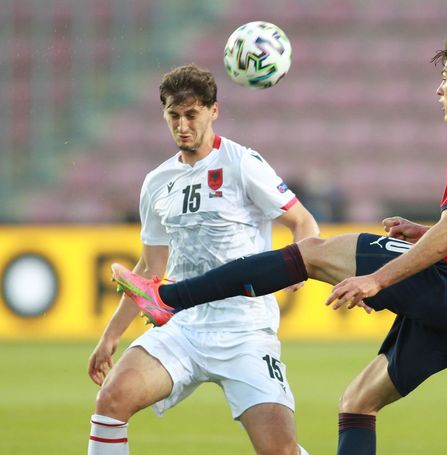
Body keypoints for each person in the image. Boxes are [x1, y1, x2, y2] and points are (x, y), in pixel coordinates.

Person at [111, 35, 447, 455]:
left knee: (314, 253)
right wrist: (422, 233)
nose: (439, 88)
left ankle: (169, 297)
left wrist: (376, 280)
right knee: (357, 402)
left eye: (446, 77)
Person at [87, 64, 318, 455]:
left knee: (278, 449)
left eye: (191, 114)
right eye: (173, 116)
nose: (182, 125)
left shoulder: (242, 163)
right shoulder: (157, 182)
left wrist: (301, 262)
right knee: (112, 401)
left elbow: (303, 221)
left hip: (244, 330)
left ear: (213, 110)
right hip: (184, 326)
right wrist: (110, 336)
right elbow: (150, 269)